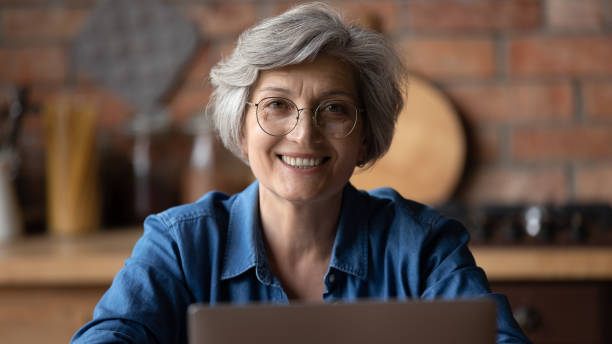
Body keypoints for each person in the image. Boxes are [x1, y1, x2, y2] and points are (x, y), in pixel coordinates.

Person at [72, 3, 530, 343]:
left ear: (365, 137)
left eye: (333, 109)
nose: (303, 135)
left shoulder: (425, 247)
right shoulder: (179, 244)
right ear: (241, 125)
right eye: (276, 106)